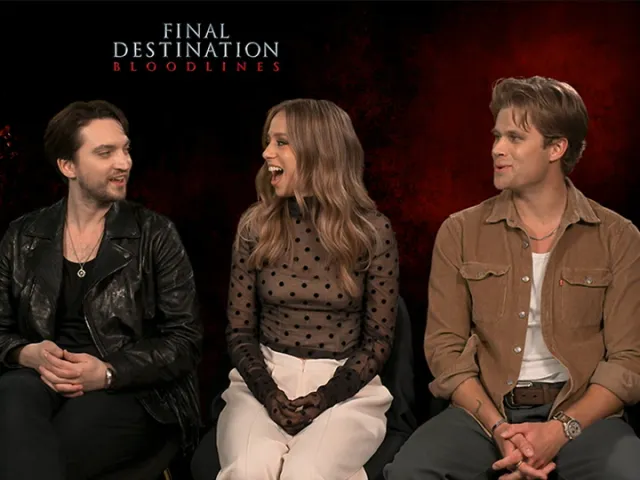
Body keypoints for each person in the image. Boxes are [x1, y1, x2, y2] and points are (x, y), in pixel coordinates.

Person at [385, 76, 640, 480]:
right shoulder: (460, 231)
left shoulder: (618, 236)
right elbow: (445, 351)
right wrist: (499, 429)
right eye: (497, 136)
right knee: (408, 472)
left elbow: (629, 361)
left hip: (581, 417)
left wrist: (559, 431)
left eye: (515, 138)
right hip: (484, 415)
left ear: (556, 148)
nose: (497, 148)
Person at [0, 100, 203, 480]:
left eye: (125, 150)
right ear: (68, 166)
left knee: (46, 453)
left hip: (133, 388)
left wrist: (108, 371)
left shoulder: (155, 233)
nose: (124, 163)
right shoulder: (22, 235)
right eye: (105, 153)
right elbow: (1, 327)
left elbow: (185, 341)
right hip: (42, 376)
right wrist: (27, 353)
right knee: (12, 395)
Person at [201, 98, 399, 479]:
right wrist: (267, 392)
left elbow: (378, 340)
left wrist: (326, 397)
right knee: (249, 468)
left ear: (318, 151)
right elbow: (240, 332)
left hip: (345, 385)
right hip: (263, 377)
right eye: (268, 141)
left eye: (281, 142)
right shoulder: (255, 226)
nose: (266, 153)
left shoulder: (372, 232)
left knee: (305, 472)